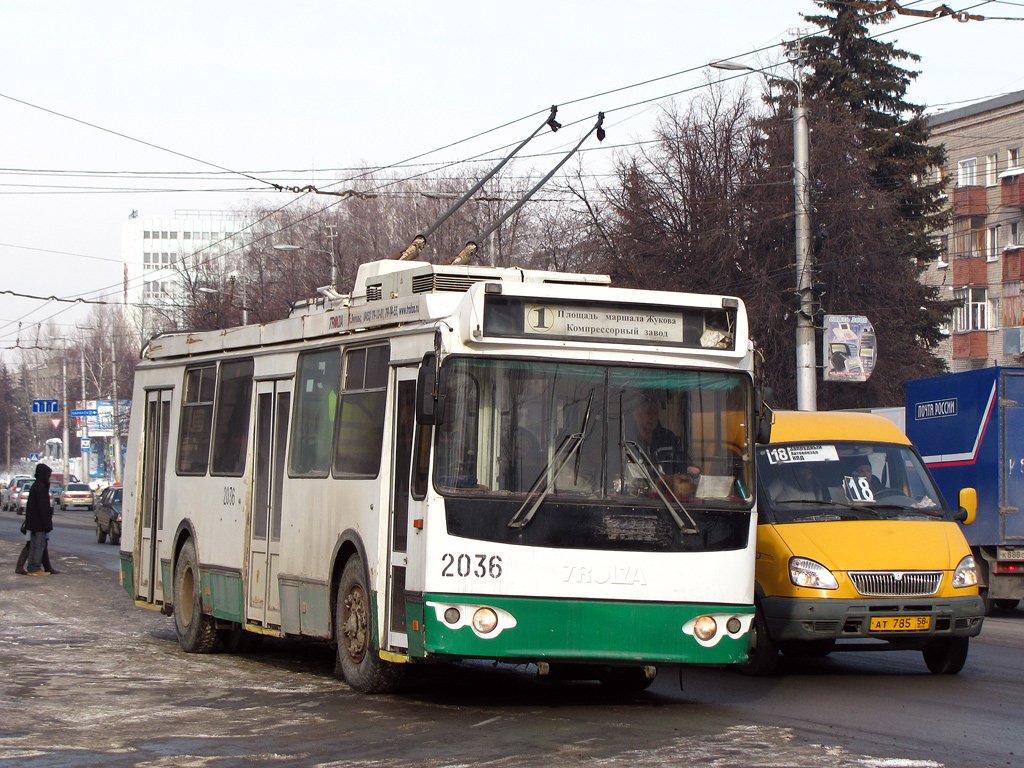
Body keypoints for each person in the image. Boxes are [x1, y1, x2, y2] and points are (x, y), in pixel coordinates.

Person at [627, 391, 701, 498]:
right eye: (648, 413)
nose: (652, 418)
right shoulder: (626, 438)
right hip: (636, 497)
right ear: (636, 415)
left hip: (666, 498)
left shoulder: (668, 438)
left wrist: (689, 469)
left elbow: (684, 463)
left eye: (655, 413)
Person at [24, 463, 55, 576]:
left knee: (34, 545)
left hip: (33, 522)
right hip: (39, 523)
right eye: (49, 475)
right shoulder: (41, 488)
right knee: (39, 545)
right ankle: (35, 568)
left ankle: (32, 566)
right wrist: (47, 524)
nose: (50, 478)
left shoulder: (36, 486)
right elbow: (43, 508)